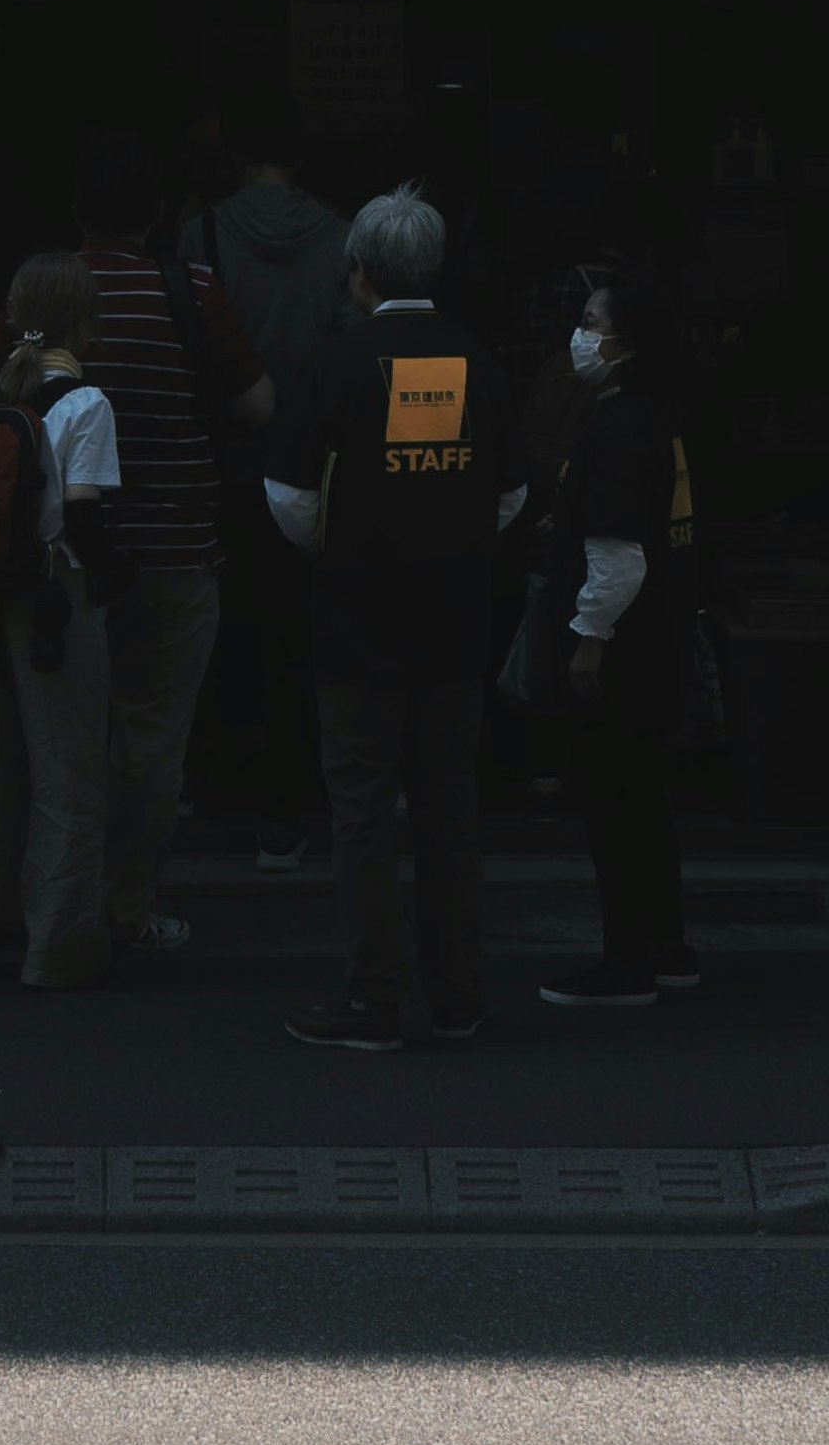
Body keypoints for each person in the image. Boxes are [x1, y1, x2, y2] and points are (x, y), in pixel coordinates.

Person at [267, 188, 526, 1051]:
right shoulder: (477, 362)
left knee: (364, 813)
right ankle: (458, 997)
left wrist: (350, 543)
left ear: (359, 272)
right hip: (456, 618)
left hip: (356, 621)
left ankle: (373, 1000)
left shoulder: (334, 363)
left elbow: (291, 499)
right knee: (450, 809)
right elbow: (514, 492)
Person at [0, 256, 121, 992]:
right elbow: (84, 512)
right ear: (86, 322)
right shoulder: (87, 404)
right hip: (51, 601)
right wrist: (112, 580)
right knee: (66, 771)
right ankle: (58, 951)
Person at [75, 131, 237, 962]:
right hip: (175, 542)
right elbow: (258, 400)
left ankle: (56, 900)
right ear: (162, 213)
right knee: (152, 739)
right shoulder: (193, 288)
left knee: (66, 737)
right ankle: (124, 910)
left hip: (69, 546)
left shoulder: (45, 292)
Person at [529, 257, 703, 1017]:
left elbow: (617, 552)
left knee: (613, 801)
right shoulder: (655, 413)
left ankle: (626, 960)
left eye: (592, 325)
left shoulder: (621, 421)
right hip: (659, 634)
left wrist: (586, 637)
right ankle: (665, 950)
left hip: (625, 644)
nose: (580, 335)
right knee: (645, 801)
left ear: (625, 341)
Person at [182, 113, 333, 868]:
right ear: (300, 156)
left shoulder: (199, 236)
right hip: (314, 464)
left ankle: (214, 781)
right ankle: (290, 800)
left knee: (218, 629)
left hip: (223, 460)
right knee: (299, 637)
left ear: (237, 156)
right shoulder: (344, 238)